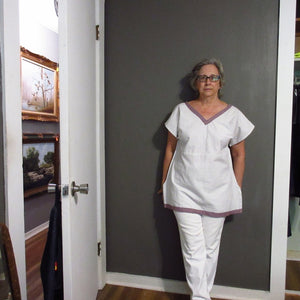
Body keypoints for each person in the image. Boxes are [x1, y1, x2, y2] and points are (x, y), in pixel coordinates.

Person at [160, 58, 254, 300]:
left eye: (213, 77)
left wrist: (235, 188)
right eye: (203, 77)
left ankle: (201, 295)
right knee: (192, 248)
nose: (208, 81)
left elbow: (239, 154)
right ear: (196, 82)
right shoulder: (181, 111)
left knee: (210, 249)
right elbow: (169, 149)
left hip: (219, 192)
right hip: (183, 189)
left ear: (220, 82)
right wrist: (164, 183)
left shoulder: (233, 115)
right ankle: (200, 297)